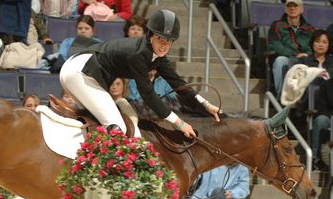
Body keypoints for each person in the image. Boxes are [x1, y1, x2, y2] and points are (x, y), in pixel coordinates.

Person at [60, 9, 221, 137]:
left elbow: (177, 82)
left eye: (169, 41)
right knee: (118, 128)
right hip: (80, 73)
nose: (164, 45)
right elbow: (147, 93)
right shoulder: (138, 54)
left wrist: (204, 105)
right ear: (150, 36)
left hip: (83, 71)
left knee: (120, 124)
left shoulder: (156, 55)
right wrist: (179, 123)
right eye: (161, 39)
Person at [268, 0, 315, 96]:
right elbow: (274, 44)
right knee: (280, 61)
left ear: (302, 9)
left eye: (295, 6)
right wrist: (294, 54)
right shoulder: (277, 25)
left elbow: (315, 45)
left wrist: (307, 55)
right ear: (285, 9)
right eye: (289, 6)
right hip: (287, 58)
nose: (292, 8)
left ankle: (308, 100)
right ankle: (282, 97)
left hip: (306, 59)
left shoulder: (309, 28)